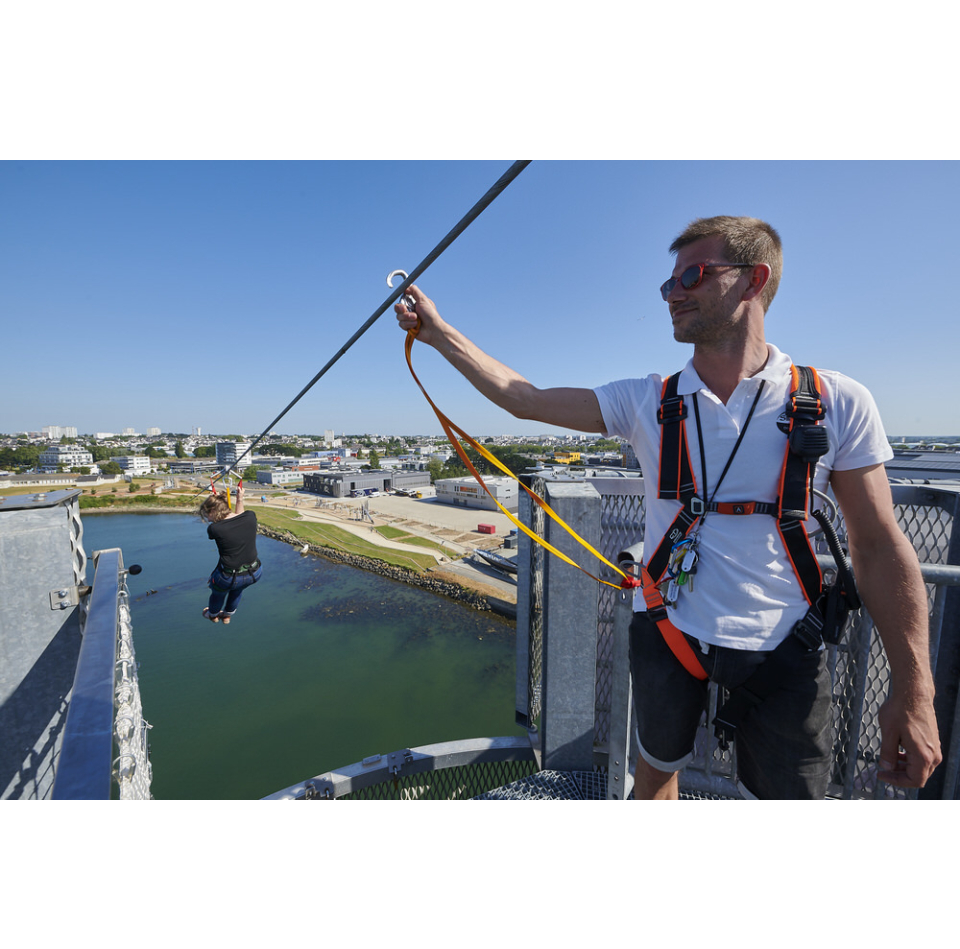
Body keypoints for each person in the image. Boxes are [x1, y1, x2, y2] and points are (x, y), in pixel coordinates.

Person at [395, 215, 942, 800]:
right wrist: (437, 333)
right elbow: (522, 399)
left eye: (692, 276)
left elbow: (879, 545)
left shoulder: (836, 401)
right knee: (653, 778)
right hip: (668, 628)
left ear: (754, 280)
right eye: (667, 284)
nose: (672, 293)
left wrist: (914, 691)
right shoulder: (647, 401)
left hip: (789, 645)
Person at [199, 483, 261, 625]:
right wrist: (240, 499)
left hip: (228, 577)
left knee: (218, 593)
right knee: (237, 589)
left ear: (214, 511)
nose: (208, 519)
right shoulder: (250, 517)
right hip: (254, 572)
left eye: (207, 515)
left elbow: (230, 522)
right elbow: (239, 517)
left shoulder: (215, 529)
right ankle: (227, 615)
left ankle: (213, 614)